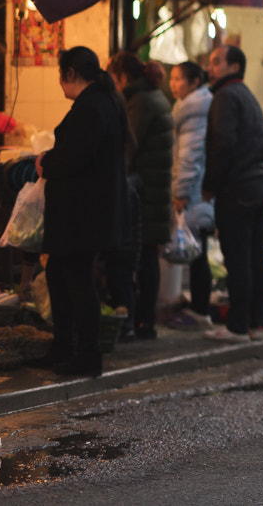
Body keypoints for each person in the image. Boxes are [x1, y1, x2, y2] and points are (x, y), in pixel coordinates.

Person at [34, 47, 129, 378]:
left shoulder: (91, 107)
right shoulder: (100, 103)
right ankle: (64, 346)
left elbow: (76, 157)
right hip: (85, 212)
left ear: (70, 73)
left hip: (83, 214)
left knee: (76, 278)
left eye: (61, 75)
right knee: (60, 274)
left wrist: (47, 162)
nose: (60, 82)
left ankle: (87, 354)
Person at [202, 44, 263, 342]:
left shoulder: (226, 96)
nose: (210, 67)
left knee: (238, 258)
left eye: (217, 62)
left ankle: (238, 326)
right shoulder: (245, 93)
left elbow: (224, 145)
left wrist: (211, 185)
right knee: (256, 255)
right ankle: (257, 322)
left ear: (234, 67)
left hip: (238, 188)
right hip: (258, 184)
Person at [106, 53, 174, 341]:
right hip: (155, 190)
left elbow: (128, 145)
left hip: (143, 192)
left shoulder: (138, 101)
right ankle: (146, 322)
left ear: (122, 77)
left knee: (137, 258)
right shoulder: (152, 95)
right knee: (147, 256)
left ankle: (136, 322)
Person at [166, 61, 216, 331]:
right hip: (198, 189)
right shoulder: (193, 106)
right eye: (171, 79)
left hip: (194, 191)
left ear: (195, 82)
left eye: (179, 79)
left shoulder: (194, 109)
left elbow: (190, 155)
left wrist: (181, 191)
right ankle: (200, 308)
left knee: (198, 254)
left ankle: (200, 310)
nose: (174, 85)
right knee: (199, 251)